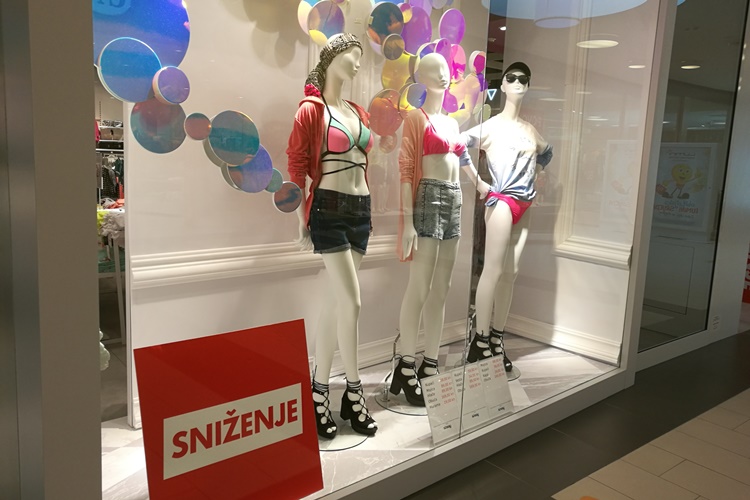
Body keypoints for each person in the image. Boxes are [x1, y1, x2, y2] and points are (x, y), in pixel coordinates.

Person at [286, 33, 377, 438]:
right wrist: (299, 218)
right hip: (329, 209)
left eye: (360, 57)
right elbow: (297, 163)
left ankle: (318, 390)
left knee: (336, 303)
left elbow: (364, 161)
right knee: (352, 302)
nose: (357, 64)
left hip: (361, 209)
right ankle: (354, 392)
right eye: (352, 56)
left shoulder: (357, 111)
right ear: (333, 58)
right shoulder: (311, 110)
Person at [391, 53, 488, 406]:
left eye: (446, 70)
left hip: (455, 200)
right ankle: (406, 363)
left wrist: (479, 184)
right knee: (420, 285)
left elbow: (463, 159)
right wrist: (408, 221)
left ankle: (430, 363)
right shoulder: (416, 118)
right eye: (436, 70)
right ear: (423, 77)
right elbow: (406, 169)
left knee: (443, 287)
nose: (444, 75)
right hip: (428, 197)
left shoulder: (450, 122)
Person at [462, 62, 553, 370]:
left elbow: (547, 152)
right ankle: (480, 340)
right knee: (493, 269)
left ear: (528, 85)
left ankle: (497, 338)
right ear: (501, 85)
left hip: (525, 203)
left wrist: (537, 170)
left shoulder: (530, 130)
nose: (517, 83)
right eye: (510, 78)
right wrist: (479, 183)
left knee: (511, 271)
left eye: (523, 79)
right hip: (501, 201)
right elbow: (459, 145)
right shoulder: (491, 127)